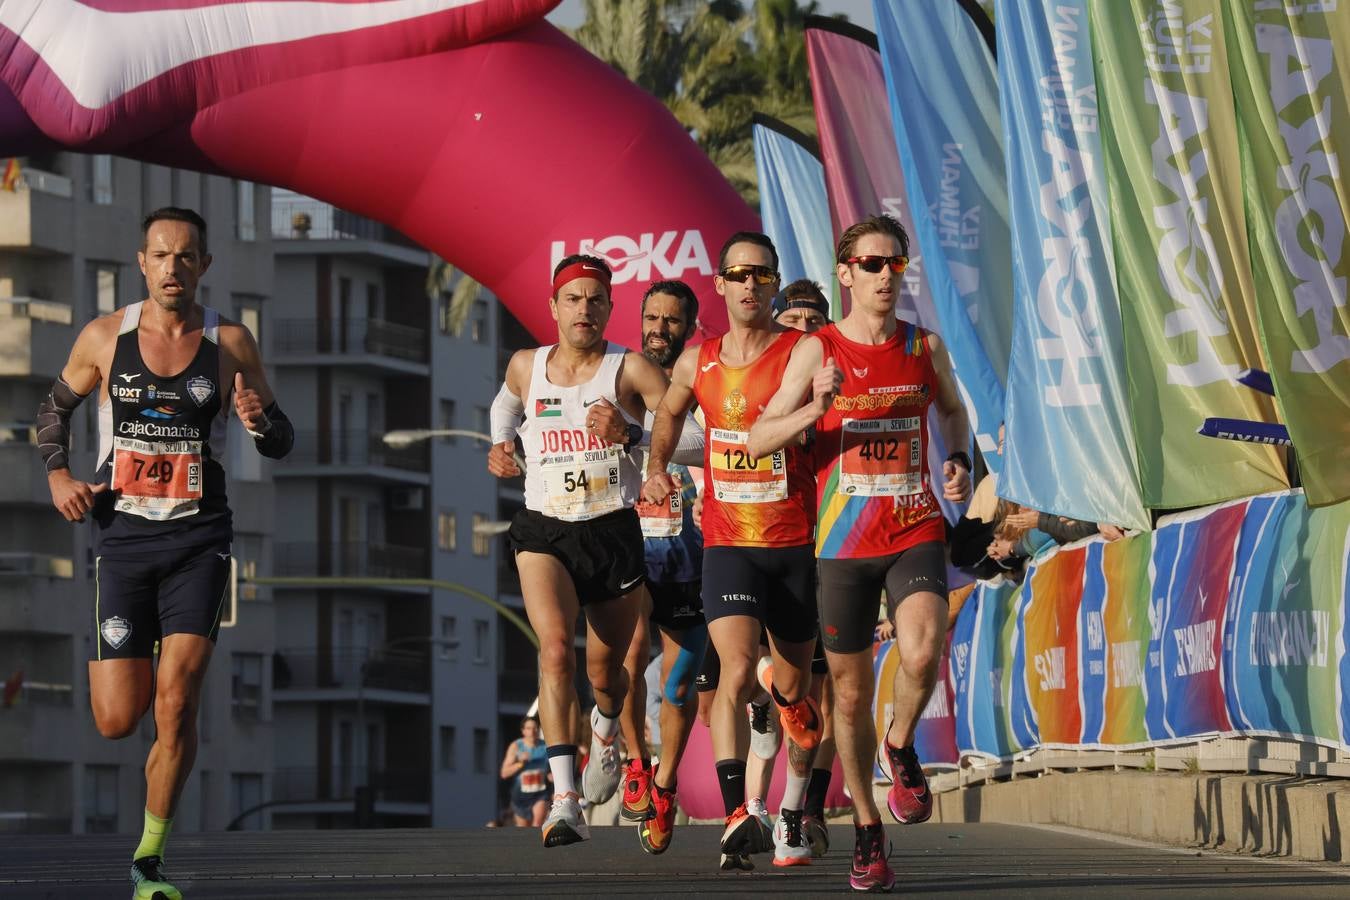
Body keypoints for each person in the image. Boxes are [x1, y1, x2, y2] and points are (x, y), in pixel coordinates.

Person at [40, 207, 293, 900]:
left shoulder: (231, 342)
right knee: (119, 720)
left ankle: (149, 862)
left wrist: (260, 422)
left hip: (199, 540)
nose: (173, 267)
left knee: (178, 705)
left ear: (204, 266)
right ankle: (142, 699)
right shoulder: (104, 336)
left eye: (186, 256)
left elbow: (281, 438)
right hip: (121, 542)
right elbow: (52, 411)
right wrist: (60, 475)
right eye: (161, 255)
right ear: (142, 262)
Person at [749, 214, 972, 892]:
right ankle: (867, 829)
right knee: (847, 696)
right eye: (871, 264)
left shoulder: (923, 347)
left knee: (924, 647)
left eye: (893, 264)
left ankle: (900, 744)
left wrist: (958, 454)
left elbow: (953, 412)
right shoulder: (816, 352)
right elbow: (759, 438)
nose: (884, 275)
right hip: (842, 544)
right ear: (846, 272)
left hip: (912, 524)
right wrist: (811, 413)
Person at [642, 232, 822, 871]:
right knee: (737, 671)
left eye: (762, 275)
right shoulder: (699, 361)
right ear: (720, 284)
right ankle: (738, 812)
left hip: (793, 542)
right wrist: (658, 465)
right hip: (729, 542)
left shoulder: (802, 351)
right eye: (738, 275)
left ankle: (795, 810)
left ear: (774, 284)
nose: (750, 285)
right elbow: (667, 414)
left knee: (798, 693)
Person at [487, 253, 668, 848]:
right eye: (573, 298)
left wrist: (632, 434)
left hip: (611, 530)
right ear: (554, 307)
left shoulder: (630, 369)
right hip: (544, 528)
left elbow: (689, 430)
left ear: (610, 309)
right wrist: (500, 444)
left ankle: (608, 723)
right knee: (557, 649)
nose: (584, 309)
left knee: (607, 673)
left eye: (596, 299)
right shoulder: (525, 365)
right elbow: (504, 407)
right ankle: (565, 801)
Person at [613, 280, 710, 855]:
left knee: (677, 682)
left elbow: (701, 438)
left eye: (672, 321)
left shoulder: (705, 377)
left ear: (690, 327)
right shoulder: (619, 375)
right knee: (626, 650)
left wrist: (632, 435)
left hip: (690, 542)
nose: (659, 329)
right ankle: (634, 761)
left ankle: (666, 783)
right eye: (652, 317)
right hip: (628, 537)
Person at [501, 716, 551, 827]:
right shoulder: (516, 747)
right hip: (520, 796)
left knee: (537, 824)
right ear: (523, 731)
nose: (532, 731)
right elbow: (504, 773)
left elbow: (551, 770)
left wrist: (550, 776)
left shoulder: (545, 746)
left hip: (540, 794)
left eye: (535, 728)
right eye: (528, 728)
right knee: (523, 830)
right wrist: (520, 763)